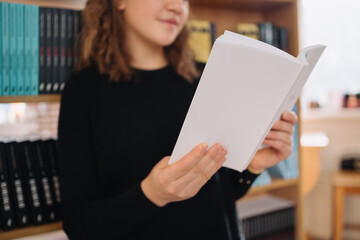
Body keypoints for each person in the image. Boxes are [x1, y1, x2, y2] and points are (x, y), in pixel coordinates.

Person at [57, 0, 298, 239]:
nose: (176, 6)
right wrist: (152, 194)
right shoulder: (83, 92)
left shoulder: (207, 75)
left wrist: (253, 164)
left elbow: (223, 193)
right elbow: (79, 226)